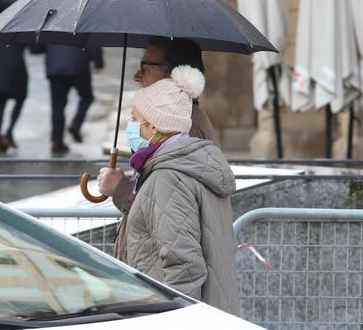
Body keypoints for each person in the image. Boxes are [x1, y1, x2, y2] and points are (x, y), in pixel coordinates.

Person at [97, 66, 239, 314]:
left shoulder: (168, 177)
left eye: (134, 119)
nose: (130, 127)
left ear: (153, 127)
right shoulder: (185, 164)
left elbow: (184, 264)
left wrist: (171, 320)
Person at [97, 38, 218, 219]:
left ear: (174, 76)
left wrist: (120, 189)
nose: (137, 76)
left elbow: (171, 211)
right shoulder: (179, 124)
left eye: (145, 67)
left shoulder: (184, 129)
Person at [44, 44, 104, 154]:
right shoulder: (82, 25)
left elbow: (36, 48)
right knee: (87, 97)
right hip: (79, 65)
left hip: (56, 68)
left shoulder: (51, 27)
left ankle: (57, 142)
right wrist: (98, 62)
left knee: (57, 107)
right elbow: (93, 43)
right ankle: (76, 123)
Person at [0, 39, 28, 154]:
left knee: (1, 102)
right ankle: (9, 132)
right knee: (20, 99)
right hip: (17, 68)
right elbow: (35, 49)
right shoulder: (21, 31)